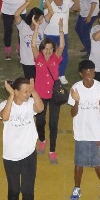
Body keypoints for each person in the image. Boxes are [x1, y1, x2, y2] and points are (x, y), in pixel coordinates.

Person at [0, 75, 43, 200]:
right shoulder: (5, 104)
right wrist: (11, 96)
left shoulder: (30, 103)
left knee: (28, 189)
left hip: (28, 154)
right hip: (10, 156)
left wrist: (34, 91)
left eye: (28, 91)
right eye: (24, 92)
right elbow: (4, 117)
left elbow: (40, 108)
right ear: (16, 91)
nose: (27, 94)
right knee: (14, 189)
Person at [68, 60, 100, 200]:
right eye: (86, 74)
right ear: (81, 74)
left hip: (96, 132)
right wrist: (76, 101)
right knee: (79, 163)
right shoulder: (75, 88)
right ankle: (76, 188)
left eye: (92, 73)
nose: (90, 76)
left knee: (97, 163)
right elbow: (73, 114)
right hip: (81, 132)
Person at [32, 29, 66, 164]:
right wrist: (36, 28)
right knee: (40, 121)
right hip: (40, 95)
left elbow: (62, 46)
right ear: (42, 49)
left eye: (51, 49)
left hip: (54, 95)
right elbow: (33, 45)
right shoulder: (38, 58)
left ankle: (52, 151)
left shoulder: (55, 58)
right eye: (46, 49)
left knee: (53, 123)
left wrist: (61, 31)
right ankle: (42, 140)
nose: (48, 51)